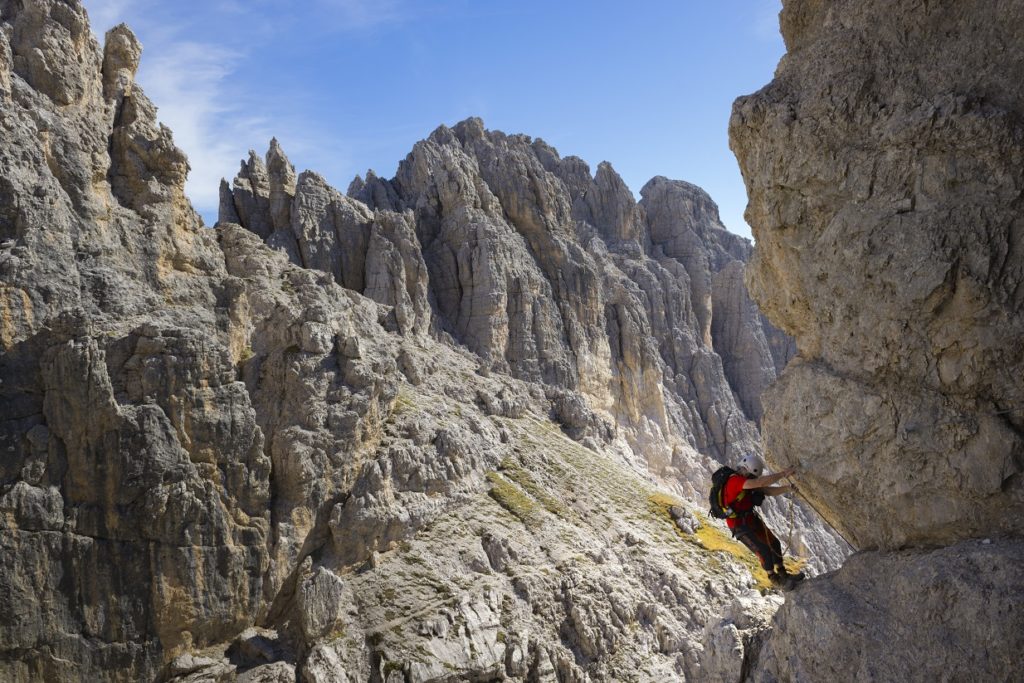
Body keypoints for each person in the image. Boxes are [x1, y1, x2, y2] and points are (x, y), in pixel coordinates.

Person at [723, 453, 805, 588]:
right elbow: (761, 482)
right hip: (738, 525)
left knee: (775, 543)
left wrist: (788, 488)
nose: (753, 479)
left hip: (750, 519)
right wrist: (784, 473)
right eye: (752, 476)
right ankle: (775, 580)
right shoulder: (735, 481)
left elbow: (766, 489)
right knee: (764, 550)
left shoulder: (745, 481)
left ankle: (783, 574)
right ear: (746, 471)